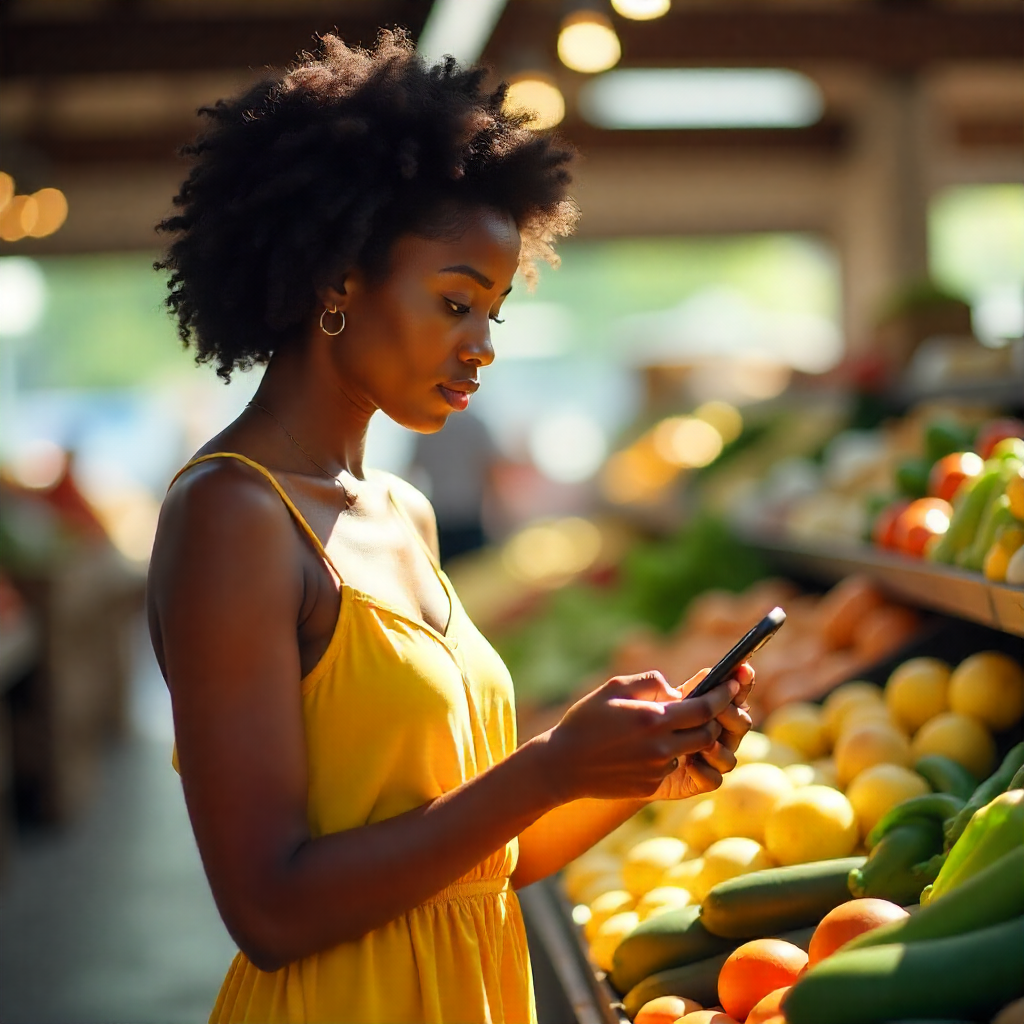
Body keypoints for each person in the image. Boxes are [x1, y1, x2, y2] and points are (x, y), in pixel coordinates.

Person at [147, 30, 753, 1024]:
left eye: (494, 314)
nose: (479, 349)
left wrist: (634, 771)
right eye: (455, 303)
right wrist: (548, 764)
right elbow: (270, 906)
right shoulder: (232, 515)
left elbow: (480, 862)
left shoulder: (402, 511)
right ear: (337, 278)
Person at [409, 408, 498, 563]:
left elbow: (414, 471)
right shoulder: (475, 424)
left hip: (439, 516)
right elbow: (489, 472)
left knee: (444, 576)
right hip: (469, 516)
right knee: (472, 575)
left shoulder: (426, 428)